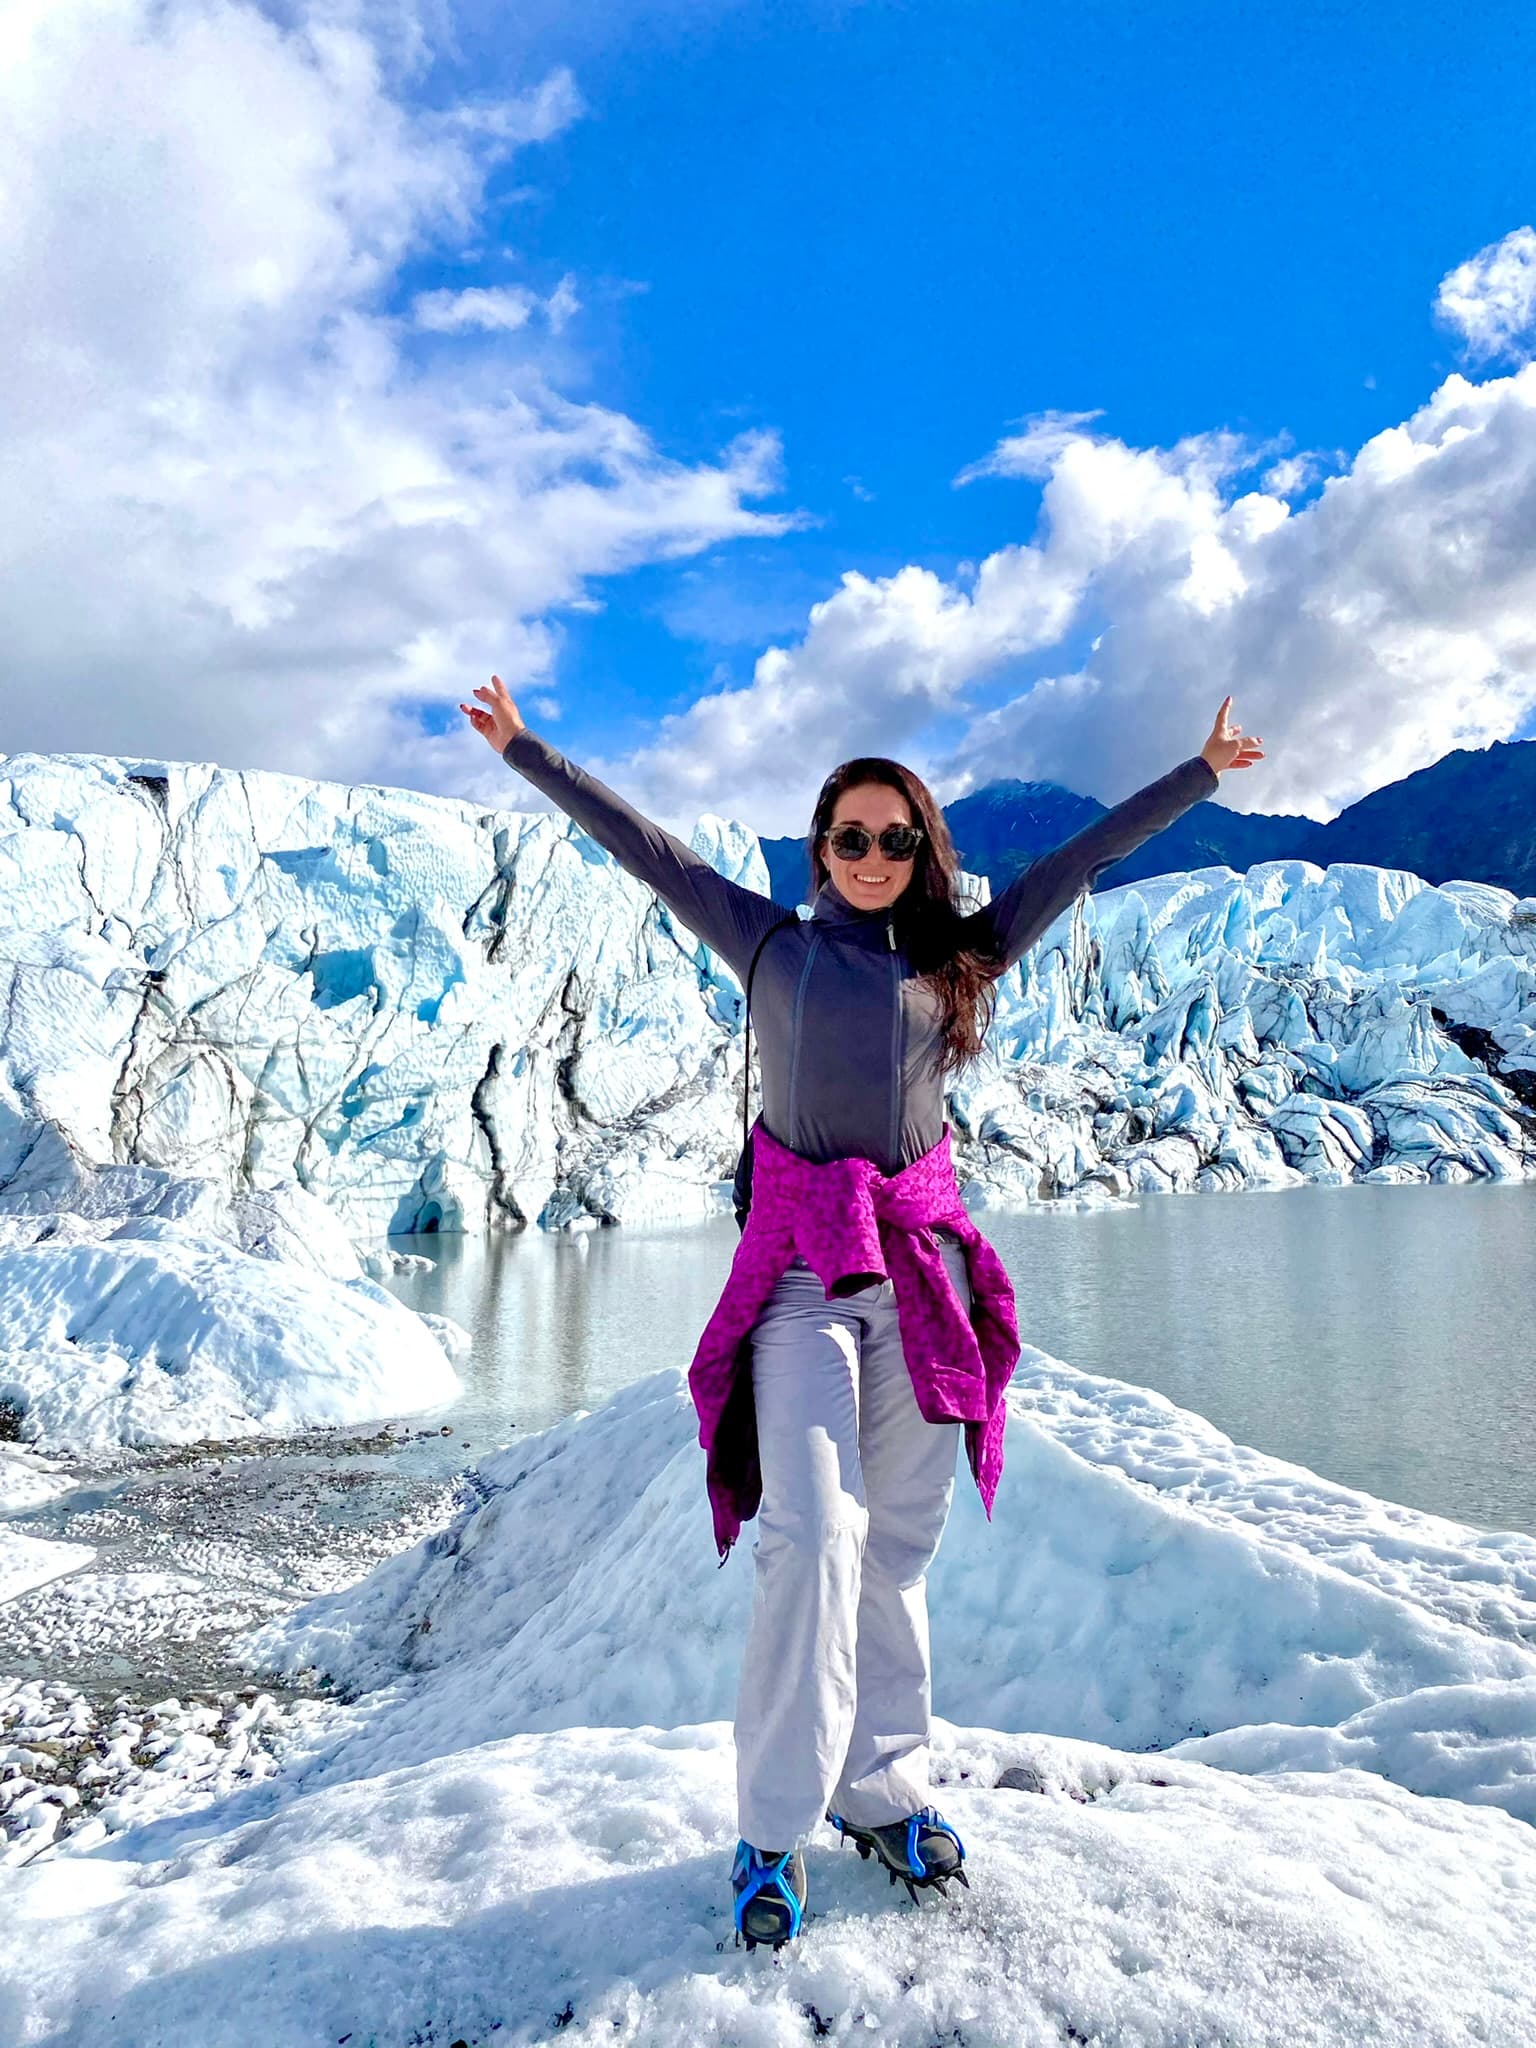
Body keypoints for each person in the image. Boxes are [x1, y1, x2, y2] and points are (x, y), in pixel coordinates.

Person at [463, 674, 1263, 1952]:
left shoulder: (963, 957)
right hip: (798, 1279)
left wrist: (1200, 772)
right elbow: (642, 845)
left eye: (900, 837)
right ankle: (770, 1824)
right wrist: (524, 750)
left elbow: (1082, 858)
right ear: (822, 844)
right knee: (815, 1533)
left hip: (919, 1285)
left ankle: (880, 1791)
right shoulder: (768, 944)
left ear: (923, 847)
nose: (877, 855)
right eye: (853, 835)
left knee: (894, 1546)